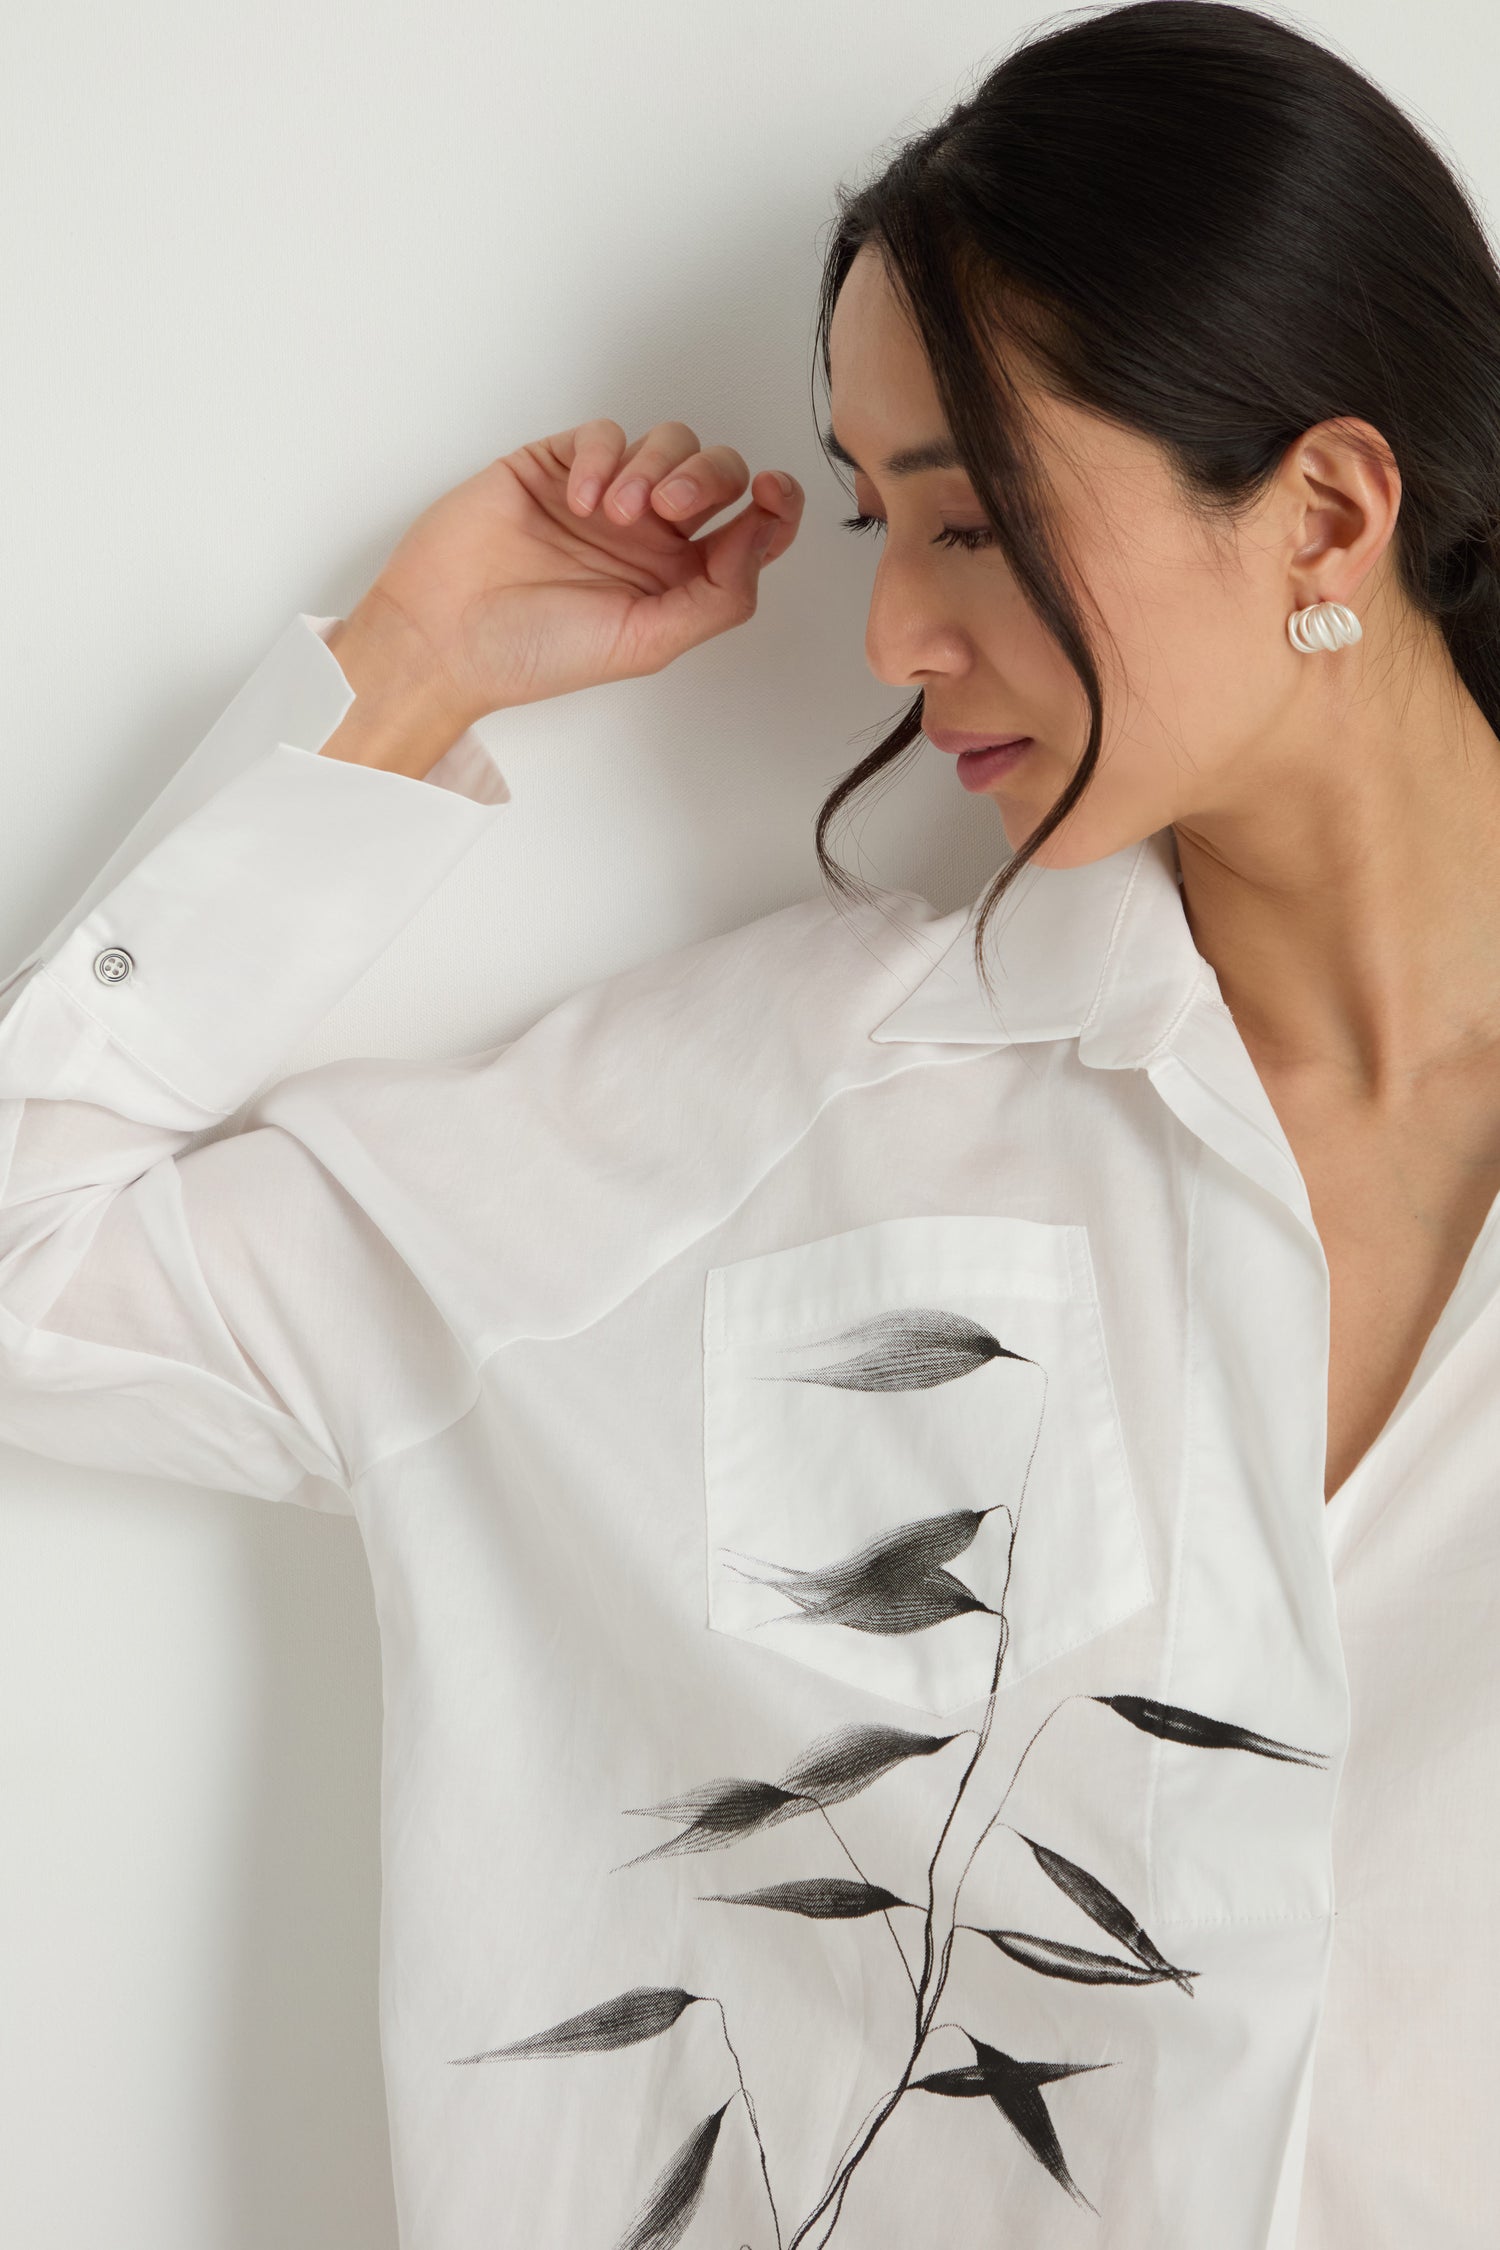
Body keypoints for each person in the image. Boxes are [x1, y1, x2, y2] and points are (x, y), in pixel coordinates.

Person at [2, 2, 1496, 2242]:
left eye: (976, 525)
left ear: (1329, 505)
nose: (892, 629)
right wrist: (415, 669)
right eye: (882, 521)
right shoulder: (782, 1110)